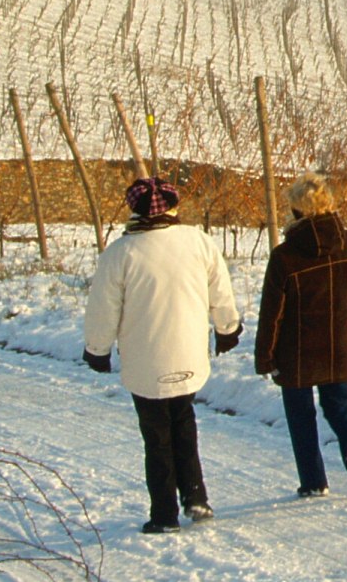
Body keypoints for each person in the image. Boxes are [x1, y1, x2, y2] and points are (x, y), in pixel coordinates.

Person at [84, 177, 241, 535]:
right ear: (173, 207)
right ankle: (196, 496)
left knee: (156, 435)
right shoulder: (198, 242)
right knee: (184, 421)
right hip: (189, 353)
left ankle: (164, 513)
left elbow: (103, 310)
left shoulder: (121, 254)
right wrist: (227, 328)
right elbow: (220, 288)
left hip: (145, 360)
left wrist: (98, 349)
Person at [256, 171, 347, 499]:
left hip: (296, 352)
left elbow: (272, 313)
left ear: (296, 210)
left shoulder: (285, 255)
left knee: (300, 413)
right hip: (340, 344)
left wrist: (265, 355)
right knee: (339, 404)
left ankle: (313, 481)